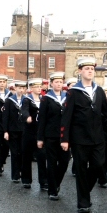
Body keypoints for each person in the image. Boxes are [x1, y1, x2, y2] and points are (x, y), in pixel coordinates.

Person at [60, 57, 107, 213]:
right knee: (81, 170)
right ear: (80, 71)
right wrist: (64, 138)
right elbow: (67, 116)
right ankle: (83, 202)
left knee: (98, 165)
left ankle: (84, 192)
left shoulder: (99, 90)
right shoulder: (74, 92)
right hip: (79, 138)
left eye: (92, 69)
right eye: (86, 68)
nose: (90, 71)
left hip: (97, 137)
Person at [37, 72, 70, 200]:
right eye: (56, 82)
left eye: (61, 82)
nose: (58, 84)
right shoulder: (46, 98)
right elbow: (42, 120)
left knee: (64, 161)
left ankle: (55, 183)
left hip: (65, 136)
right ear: (51, 83)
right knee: (51, 162)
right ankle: (52, 190)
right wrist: (40, 138)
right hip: (50, 135)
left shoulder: (67, 97)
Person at [20, 77, 48, 190]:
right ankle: (26, 180)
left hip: (40, 132)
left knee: (42, 156)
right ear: (31, 88)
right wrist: (27, 117)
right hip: (29, 131)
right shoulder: (27, 100)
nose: (38, 88)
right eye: (36, 87)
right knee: (26, 156)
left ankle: (43, 181)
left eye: (40, 87)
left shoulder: (44, 99)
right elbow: (24, 110)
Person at [3, 80, 26, 182]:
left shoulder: (27, 100)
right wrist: (5, 131)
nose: (21, 90)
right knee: (14, 152)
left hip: (24, 130)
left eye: (23, 88)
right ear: (15, 88)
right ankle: (15, 175)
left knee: (23, 152)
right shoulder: (9, 100)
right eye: (19, 88)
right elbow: (6, 117)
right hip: (13, 130)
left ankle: (22, 171)